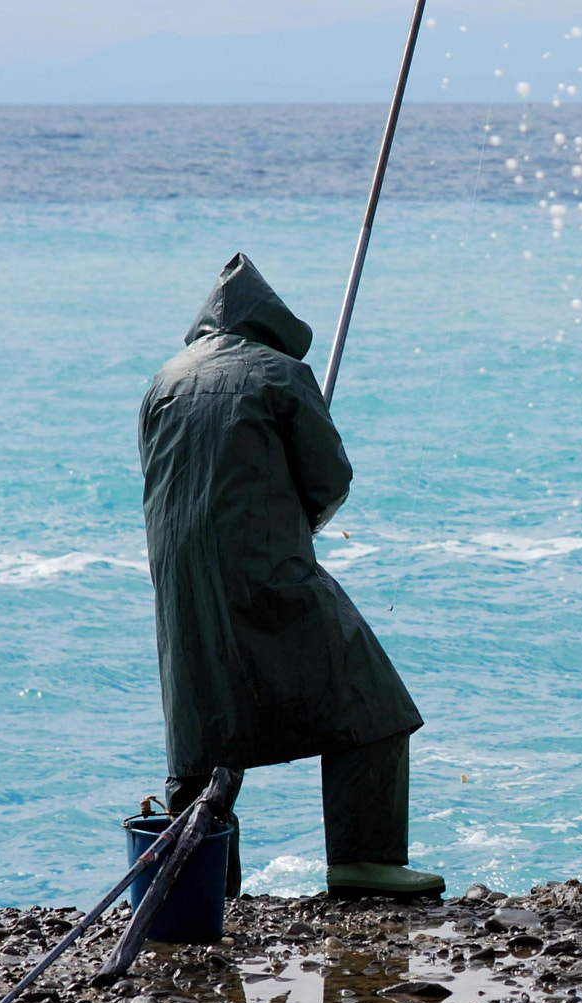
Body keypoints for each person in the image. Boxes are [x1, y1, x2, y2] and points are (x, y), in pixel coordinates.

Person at [138, 252, 443, 900]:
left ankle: (204, 891)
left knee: (206, 736)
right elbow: (329, 480)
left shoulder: (163, 384)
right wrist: (300, 518)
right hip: (268, 576)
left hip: (182, 592)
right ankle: (365, 861)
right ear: (268, 323)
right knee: (375, 708)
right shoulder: (281, 374)